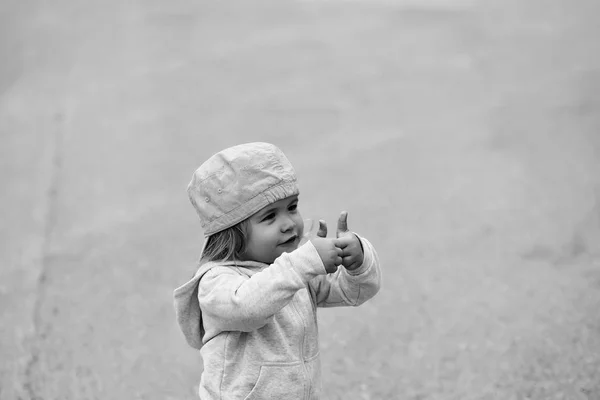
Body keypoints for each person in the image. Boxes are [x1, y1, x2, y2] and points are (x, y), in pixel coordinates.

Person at [174, 142, 381, 400]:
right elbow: (248, 308)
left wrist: (356, 259)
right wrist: (304, 262)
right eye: (270, 216)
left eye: (292, 207)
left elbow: (354, 292)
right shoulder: (216, 282)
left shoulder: (292, 269)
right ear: (233, 233)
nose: (288, 223)